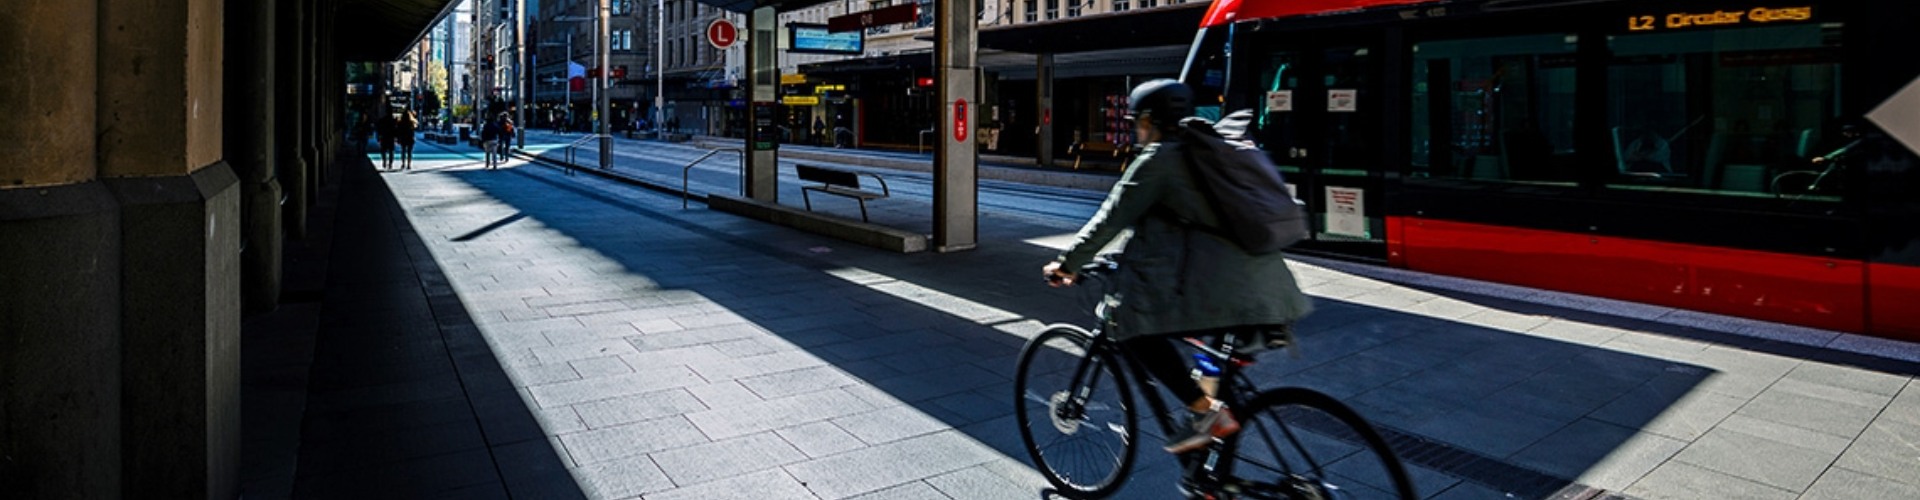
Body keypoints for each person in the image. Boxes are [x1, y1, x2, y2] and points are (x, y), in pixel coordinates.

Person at [1041, 79, 1314, 454]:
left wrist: (1067, 263)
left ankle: (1205, 414)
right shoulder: (1205, 149)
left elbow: (1111, 219)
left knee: (1131, 329)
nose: (1136, 129)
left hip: (1232, 292)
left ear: (1150, 120)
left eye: (1137, 121)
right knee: (1211, 366)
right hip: (1267, 287)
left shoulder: (1159, 160)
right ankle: (1217, 470)